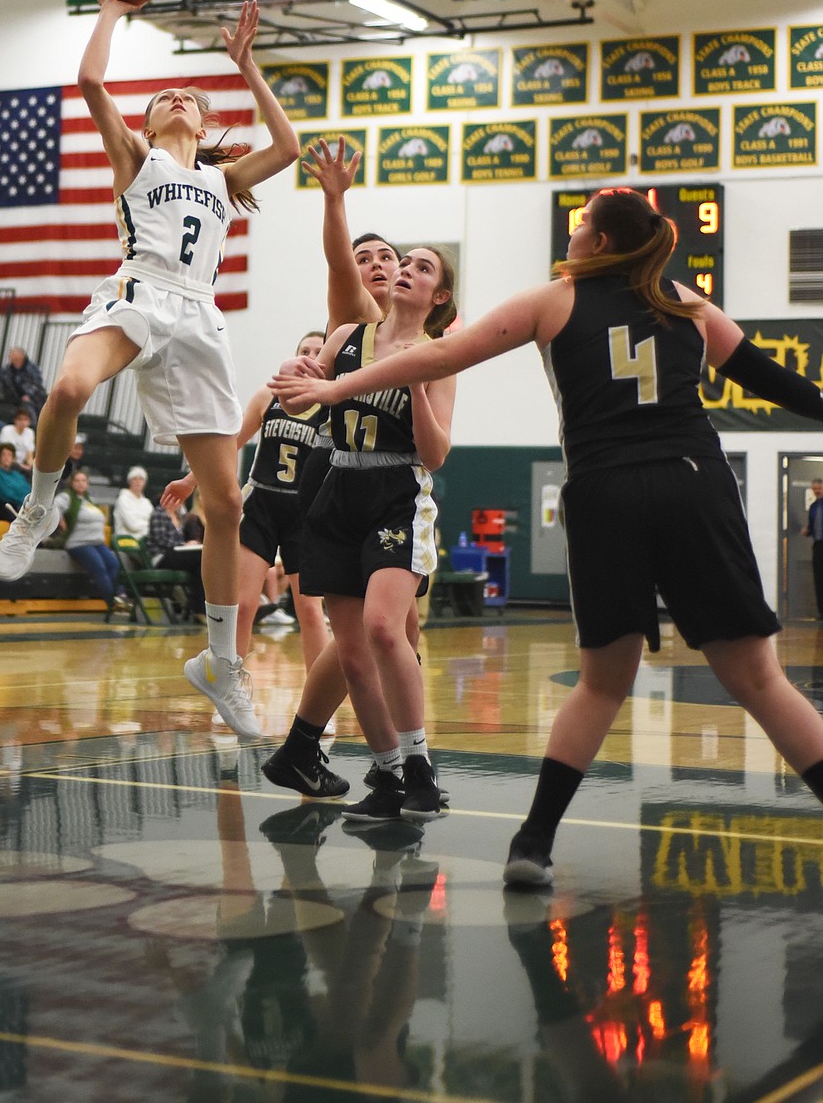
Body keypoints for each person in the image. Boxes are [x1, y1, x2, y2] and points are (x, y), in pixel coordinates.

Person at [274, 187, 823, 888]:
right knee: (759, 678)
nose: (570, 237)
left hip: (606, 488)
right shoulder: (688, 301)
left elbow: (440, 357)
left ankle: (532, 845)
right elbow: (769, 378)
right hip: (694, 480)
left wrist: (334, 388)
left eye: (580, 226)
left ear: (597, 243)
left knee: (601, 684)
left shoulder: (554, 299)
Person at [0, 0, 300, 739]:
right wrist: (110, 8)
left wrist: (247, 66)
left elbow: (288, 148)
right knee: (66, 385)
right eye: (163, 95)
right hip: (138, 291)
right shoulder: (137, 156)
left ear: (199, 120)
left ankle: (222, 665)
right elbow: (93, 82)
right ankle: (39, 505)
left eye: (186, 96)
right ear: (154, 122)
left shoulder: (225, 181)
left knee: (226, 507)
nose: (174, 98)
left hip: (199, 316)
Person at [267, 252, 456, 823]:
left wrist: (417, 386)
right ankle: (390, 774)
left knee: (382, 626)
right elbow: (304, 404)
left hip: (398, 489)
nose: (407, 270)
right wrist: (290, 382)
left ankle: (420, 766)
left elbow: (436, 455)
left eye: (424, 269)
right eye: (408, 262)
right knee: (351, 655)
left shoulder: (438, 354)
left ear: (439, 297)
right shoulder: (349, 336)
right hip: (339, 486)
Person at [161, 329, 331, 679]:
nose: (311, 356)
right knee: (244, 604)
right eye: (305, 350)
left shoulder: (333, 404)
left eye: (319, 351)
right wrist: (190, 480)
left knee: (311, 612)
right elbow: (231, 443)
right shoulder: (269, 396)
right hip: (262, 506)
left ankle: (319, 703)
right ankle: (230, 685)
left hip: (305, 512)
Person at [56, 467, 122, 609]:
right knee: (100, 567)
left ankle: (122, 596)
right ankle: (112, 602)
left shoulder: (89, 499)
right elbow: (53, 507)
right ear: (71, 483)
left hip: (96, 542)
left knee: (114, 564)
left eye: (83, 480)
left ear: (87, 483)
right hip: (78, 542)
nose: (80, 483)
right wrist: (59, 519)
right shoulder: (67, 497)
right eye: (77, 480)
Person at [0, 441, 31, 524]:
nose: (6, 457)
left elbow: (27, 490)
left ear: (13, 458)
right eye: (3, 454)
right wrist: (24, 502)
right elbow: (5, 494)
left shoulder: (17, 474)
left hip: (25, 507)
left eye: (9, 455)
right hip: (9, 510)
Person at [0, 345, 46, 412]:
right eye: (10, 355)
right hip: (13, 398)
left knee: (27, 406)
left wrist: (28, 395)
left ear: (21, 356)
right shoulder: (7, 370)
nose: (10, 357)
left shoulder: (32, 369)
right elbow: (1, 383)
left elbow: (36, 385)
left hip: (32, 399)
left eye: (13, 355)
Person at [113, 466, 153, 540]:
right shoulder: (123, 499)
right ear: (129, 482)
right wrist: (147, 525)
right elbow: (132, 525)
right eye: (135, 479)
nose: (138, 482)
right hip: (127, 540)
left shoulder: (147, 502)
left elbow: (153, 523)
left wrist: (143, 525)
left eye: (141, 479)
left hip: (145, 538)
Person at [803, 478, 823, 620]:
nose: (817, 491)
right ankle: (822, 612)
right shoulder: (814, 506)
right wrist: (807, 530)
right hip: (818, 545)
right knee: (819, 578)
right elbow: (812, 527)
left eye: (819, 488)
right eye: (814, 489)